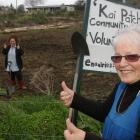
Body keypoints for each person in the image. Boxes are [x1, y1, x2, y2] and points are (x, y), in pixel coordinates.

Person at [60, 24, 140, 140]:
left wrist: (85, 138)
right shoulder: (122, 87)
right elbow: (104, 112)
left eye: (132, 57)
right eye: (117, 58)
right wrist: (75, 100)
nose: (122, 64)